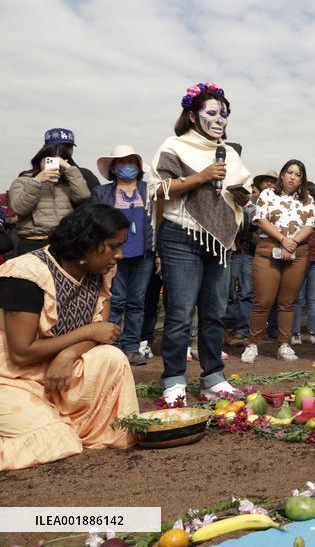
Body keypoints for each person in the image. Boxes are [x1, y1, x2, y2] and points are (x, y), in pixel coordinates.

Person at [0, 203, 139, 470]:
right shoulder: (26, 274)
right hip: (11, 379)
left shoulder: (100, 272)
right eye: (113, 246)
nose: (119, 255)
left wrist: (69, 353)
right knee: (57, 440)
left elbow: (104, 332)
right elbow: (21, 352)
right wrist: (85, 332)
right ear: (87, 243)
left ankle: (55, 420)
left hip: (56, 374)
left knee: (111, 357)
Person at [148, 82, 253, 405]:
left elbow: (243, 190)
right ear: (193, 116)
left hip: (219, 241)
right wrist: (202, 176)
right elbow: (157, 189)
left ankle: (213, 377)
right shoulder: (174, 146)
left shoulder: (230, 153)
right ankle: (174, 379)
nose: (220, 119)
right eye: (212, 112)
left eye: (224, 113)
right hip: (181, 234)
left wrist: (242, 195)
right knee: (180, 313)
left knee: (215, 313)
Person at [241, 160, 315, 363]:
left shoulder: (308, 199)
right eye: (289, 172)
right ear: (282, 175)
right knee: (263, 301)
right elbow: (261, 220)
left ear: (302, 179)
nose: (292, 176)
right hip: (268, 249)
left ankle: (284, 345)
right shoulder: (267, 194)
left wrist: (292, 243)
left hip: (297, 252)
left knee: (287, 302)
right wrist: (283, 240)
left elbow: (310, 225)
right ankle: (252, 344)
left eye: (297, 174)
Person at [90, 145, 155, 366]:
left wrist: (159, 255)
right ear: (114, 168)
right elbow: (95, 223)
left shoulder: (149, 190)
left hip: (143, 255)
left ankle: (132, 347)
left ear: (138, 167)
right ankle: (112, 347)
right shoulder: (102, 193)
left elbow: (159, 222)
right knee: (115, 301)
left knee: (137, 302)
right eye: (122, 162)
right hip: (113, 255)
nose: (127, 166)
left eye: (131, 162)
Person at [8, 143, 92, 256]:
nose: (52, 166)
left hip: (63, 241)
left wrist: (70, 169)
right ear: (38, 161)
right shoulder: (23, 181)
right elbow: (20, 208)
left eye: (58, 163)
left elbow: (83, 196)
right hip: (33, 242)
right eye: (48, 161)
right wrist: (36, 181)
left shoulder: (68, 184)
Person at [292, 181, 315, 345]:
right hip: (299, 259)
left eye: (310, 193)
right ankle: (296, 334)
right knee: (298, 298)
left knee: (313, 298)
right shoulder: (294, 212)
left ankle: (312, 332)